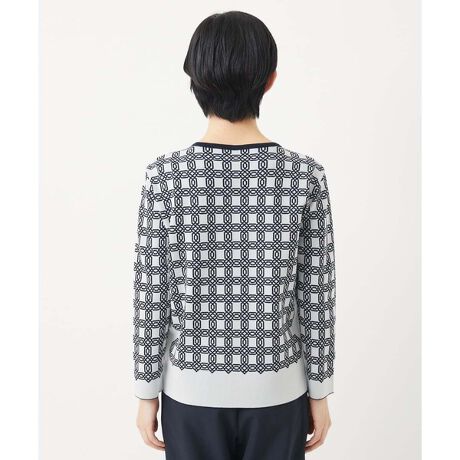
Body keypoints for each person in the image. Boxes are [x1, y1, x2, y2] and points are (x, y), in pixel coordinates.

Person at [132, 10, 336, 460]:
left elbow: (152, 293)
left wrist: (146, 392)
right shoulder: (304, 176)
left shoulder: (164, 177)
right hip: (279, 391)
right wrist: (320, 391)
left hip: (189, 394)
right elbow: (316, 295)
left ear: (193, 79)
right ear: (270, 80)